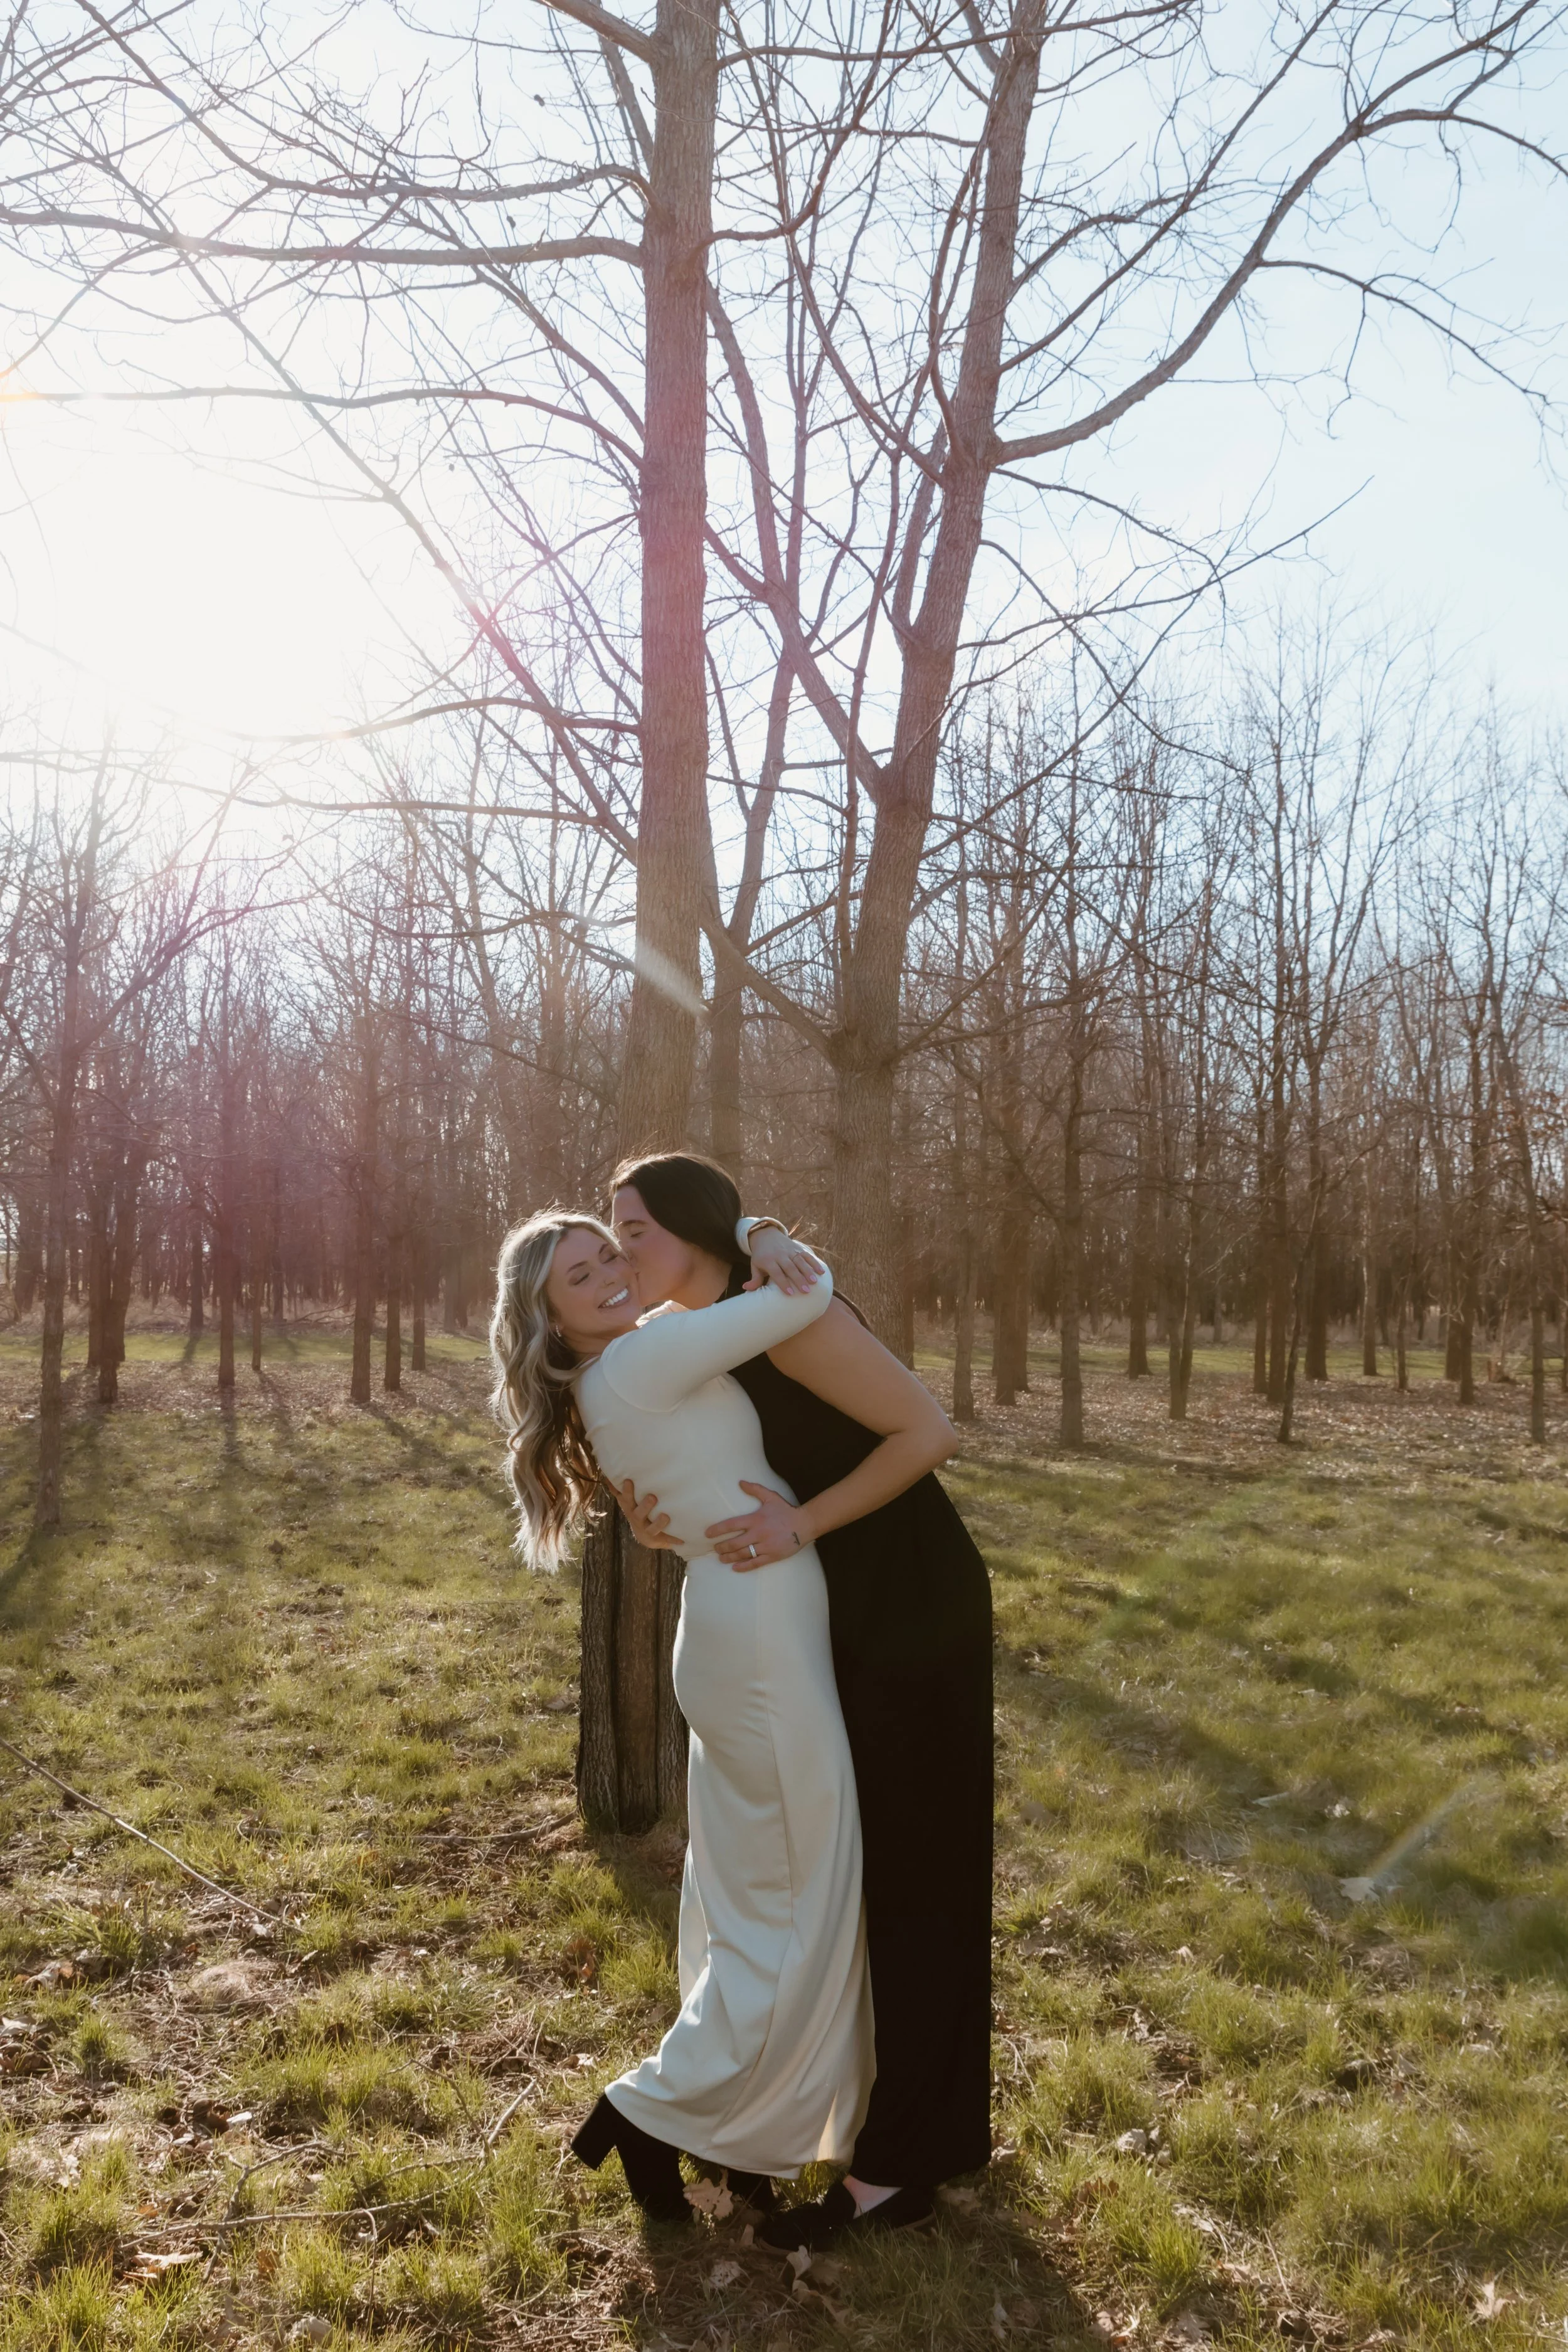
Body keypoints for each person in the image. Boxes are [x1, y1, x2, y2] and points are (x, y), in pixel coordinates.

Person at [609, 1153, 994, 2248]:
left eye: (636, 1228)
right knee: (848, 1877)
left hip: (909, 1604)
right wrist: (661, 1517)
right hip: (822, 1615)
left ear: (691, 1231)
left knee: (917, 1883)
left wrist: (800, 1527)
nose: (623, 1249)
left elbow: (928, 1432)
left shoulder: (782, 1309)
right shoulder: (698, 1330)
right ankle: (871, 2121)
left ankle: (900, 2173)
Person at [489, 1210, 873, 2224]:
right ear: (553, 1317)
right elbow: (808, 1291)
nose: (615, 1273)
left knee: (752, 1901)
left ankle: (726, 2128)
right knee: (802, 1897)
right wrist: (767, 1231)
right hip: (754, 1643)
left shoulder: (609, 1375)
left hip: (733, 1628)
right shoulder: (645, 1357)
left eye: (612, 1252)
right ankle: (650, 2112)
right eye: (584, 1273)